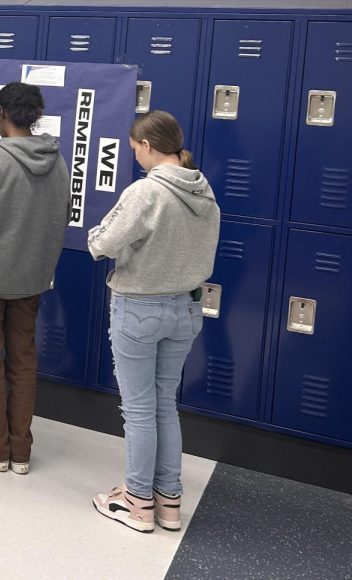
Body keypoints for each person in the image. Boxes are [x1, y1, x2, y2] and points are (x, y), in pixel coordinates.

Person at [88, 110, 219, 533]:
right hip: (186, 309)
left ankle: (137, 501)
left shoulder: (146, 193)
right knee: (165, 405)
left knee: (139, 409)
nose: (136, 159)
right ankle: (169, 500)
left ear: (146, 146)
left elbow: (102, 243)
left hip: (140, 308)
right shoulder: (204, 191)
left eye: (135, 150)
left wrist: (98, 234)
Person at [0, 83, 69, 475]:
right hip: (32, 278)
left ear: (1, 114)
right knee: (23, 358)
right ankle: (21, 450)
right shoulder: (57, 162)